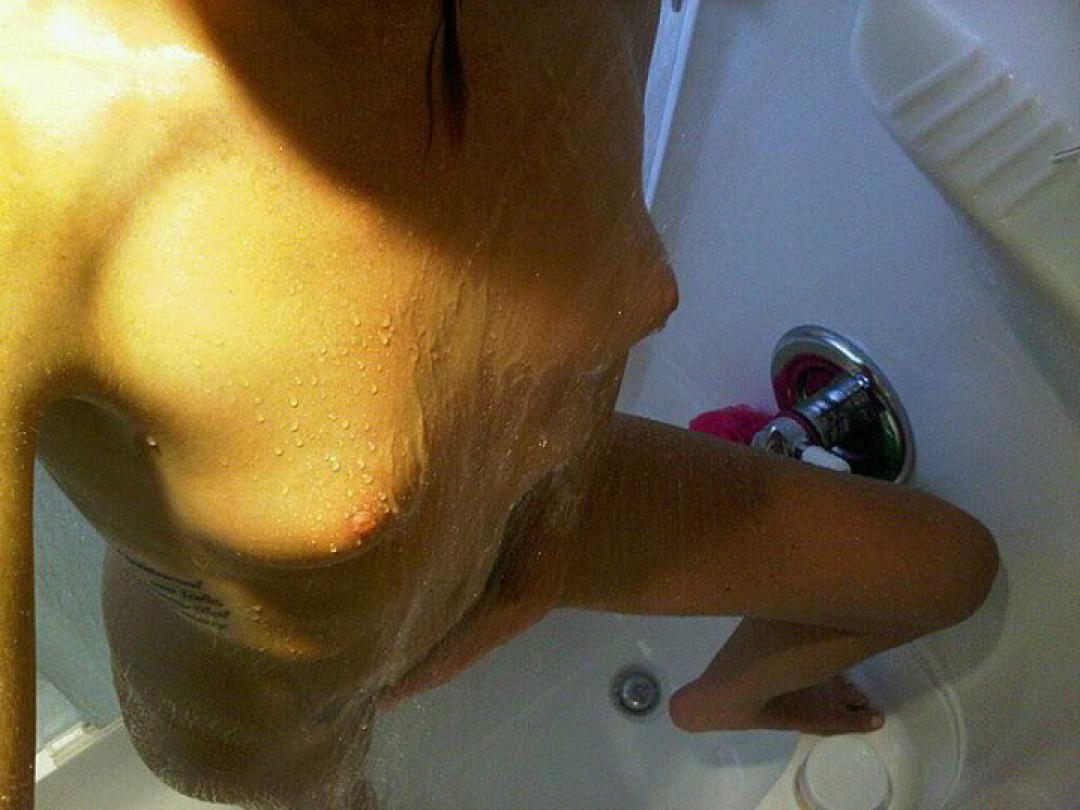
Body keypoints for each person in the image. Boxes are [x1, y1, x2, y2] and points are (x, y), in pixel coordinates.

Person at [0, 1, 998, 808]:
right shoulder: (34, 139)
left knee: (947, 574)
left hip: (542, 519)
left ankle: (722, 703)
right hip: (276, 686)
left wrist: (542, 564)